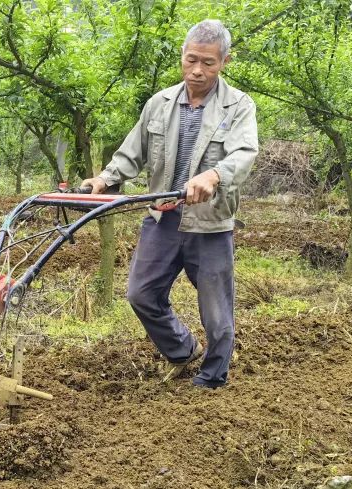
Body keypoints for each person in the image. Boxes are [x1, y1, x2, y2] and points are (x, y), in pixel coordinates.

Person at [81, 19, 258, 389]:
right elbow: (133, 153)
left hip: (209, 224)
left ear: (224, 61)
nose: (198, 70)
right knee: (141, 294)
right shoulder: (159, 104)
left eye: (208, 63)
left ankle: (212, 379)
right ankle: (182, 350)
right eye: (191, 60)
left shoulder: (238, 106)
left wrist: (214, 176)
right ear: (182, 55)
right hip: (163, 217)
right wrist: (104, 179)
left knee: (215, 310)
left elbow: (243, 154)